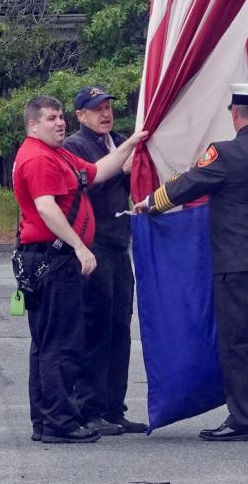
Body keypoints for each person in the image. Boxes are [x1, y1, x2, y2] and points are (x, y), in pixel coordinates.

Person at [137, 82, 248, 442]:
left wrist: (152, 203)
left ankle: (243, 420)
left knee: (240, 341)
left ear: (235, 113)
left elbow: (188, 185)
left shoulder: (224, 154)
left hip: (239, 263)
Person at [12, 94, 146, 445]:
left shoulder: (58, 154)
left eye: (59, 117)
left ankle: (47, 420)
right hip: (52, 258)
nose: (59, 123)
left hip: (51, 257)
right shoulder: (38, 157)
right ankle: (60, 422)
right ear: (33, 125)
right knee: (60, 344)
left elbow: (99, 171)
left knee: (48, 344)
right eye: (51, 118)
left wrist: (132, 141)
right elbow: (45, 208)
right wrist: (78, 244)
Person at [62, 86, 146, 433]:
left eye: (108, 107)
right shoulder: (74, 147)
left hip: (118, 245)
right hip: (92, 247)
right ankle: (89, 408)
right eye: (97, 109)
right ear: (80, 115)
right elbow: (84, 183)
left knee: (119, 330)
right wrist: (120, 169)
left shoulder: (119, 140)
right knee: (95, 329)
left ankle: (114, 407)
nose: (105, 114)